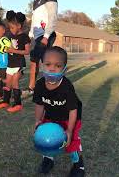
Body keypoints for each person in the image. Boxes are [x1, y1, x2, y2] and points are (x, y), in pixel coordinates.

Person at [33, 46, 85, 176]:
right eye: (48, 64)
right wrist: (38, 120)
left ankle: (78, 164)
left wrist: (69, 130)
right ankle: (48, 159)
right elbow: (39, 105)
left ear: (64, 68)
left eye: (57, 65)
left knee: (71, 142)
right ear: (41, 65)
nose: (52, 68)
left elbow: (73, 110)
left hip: (69, 118)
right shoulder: (39, 85)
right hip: (50, 116)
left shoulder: (66, 87)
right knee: (47, 138)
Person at [0, 11, 30, 113]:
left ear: (19, 26)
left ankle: (18, 104)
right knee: (7, 83)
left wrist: (13, 50)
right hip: (10, 64)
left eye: (12, 28)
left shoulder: (24, 37)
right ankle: (6, 101)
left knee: (15, 82)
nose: (10, 30)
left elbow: (27, 51)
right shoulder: (9, 35)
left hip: (19, 63)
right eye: (9, 28)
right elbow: (5, 48)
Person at [22, 0, 58, 96]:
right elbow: (34, 20)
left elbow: (53, 17)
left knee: (47, 63)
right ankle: (31, 88)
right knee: (34, 62)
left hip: (45, 35)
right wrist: (30, 35)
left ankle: (50, 88)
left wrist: (46, 36)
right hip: (36, 37)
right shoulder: (36, 0)